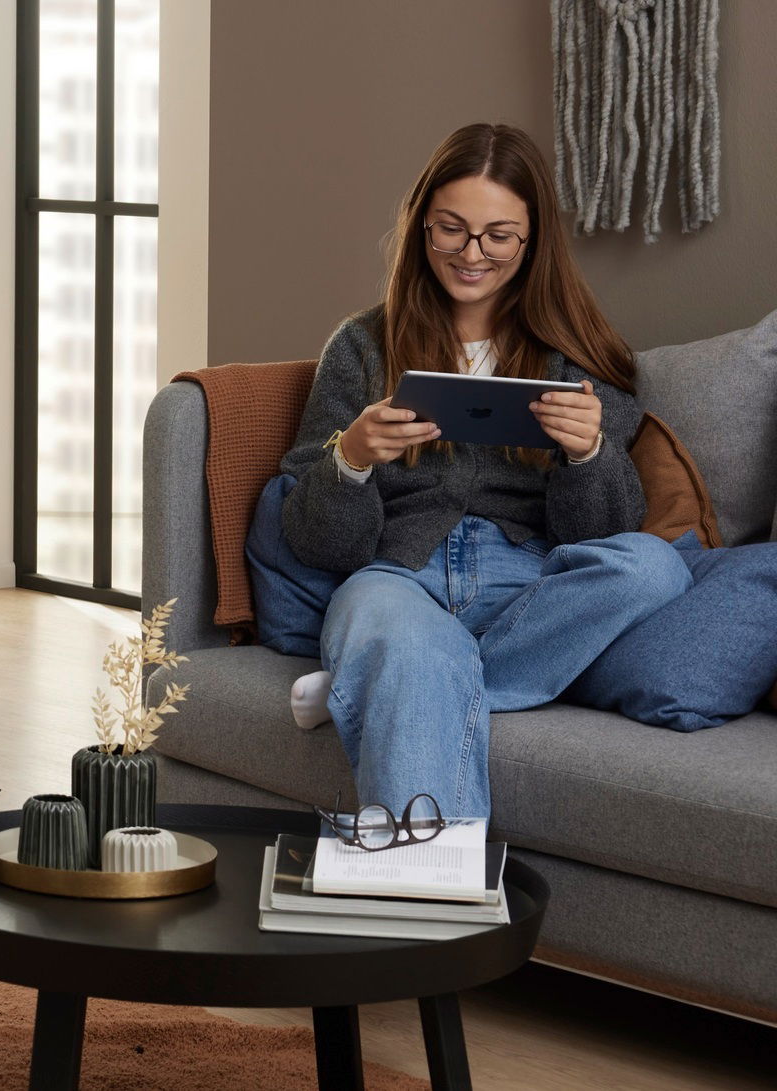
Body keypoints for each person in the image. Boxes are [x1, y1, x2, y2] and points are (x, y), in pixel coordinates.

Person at [249, 122, 691, 821]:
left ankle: (376, 679)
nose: (471, 253)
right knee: (392, 629)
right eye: (450, 229)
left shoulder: (575, 356)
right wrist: (351, 459)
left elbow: (607, 534)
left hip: (530, 587)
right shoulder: (362, 346)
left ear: (533, 239)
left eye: (498, 236)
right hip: (399, 581)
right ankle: (436, 907)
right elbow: (316, 542)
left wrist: (587, 456)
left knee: (655, 568)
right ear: (422, 224)